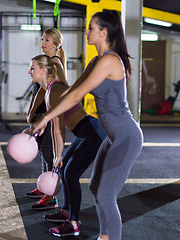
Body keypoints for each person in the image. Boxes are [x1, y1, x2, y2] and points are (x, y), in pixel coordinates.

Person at [31, 10, 143, 240]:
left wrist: (44, 118)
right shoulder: (95, 61)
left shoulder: (110, 61)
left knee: (105, 194)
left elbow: (74, 97)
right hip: (112, 138)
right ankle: (104, 235)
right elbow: (71, 91)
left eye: (91, 28)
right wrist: (46, 115)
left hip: (126, 137)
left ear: (103, 33)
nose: (86, 31)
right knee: (95, 188)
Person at [29, 54, 106, 237]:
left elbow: (58, 129)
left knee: (70, 173)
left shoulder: (54, 91)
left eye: (33, 68)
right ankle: (65, 211)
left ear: (44, 71)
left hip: (92, 133)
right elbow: (51, 125)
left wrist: (58, 155)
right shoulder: (49, 91)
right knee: (65, 171)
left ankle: (73, 224)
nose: (29, 71)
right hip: (84, 132)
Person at [26, 28, 66, 210]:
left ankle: (50, 196)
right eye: (42, 39)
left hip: (48, 113)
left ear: (56, 44)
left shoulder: (54, 62)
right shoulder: (49, 61)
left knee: (49, 151)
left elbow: (44, 91)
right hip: (43, 112)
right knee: (43, 149)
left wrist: (33, 110)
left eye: (47, 40)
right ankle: (44, 187)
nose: (43, 43)